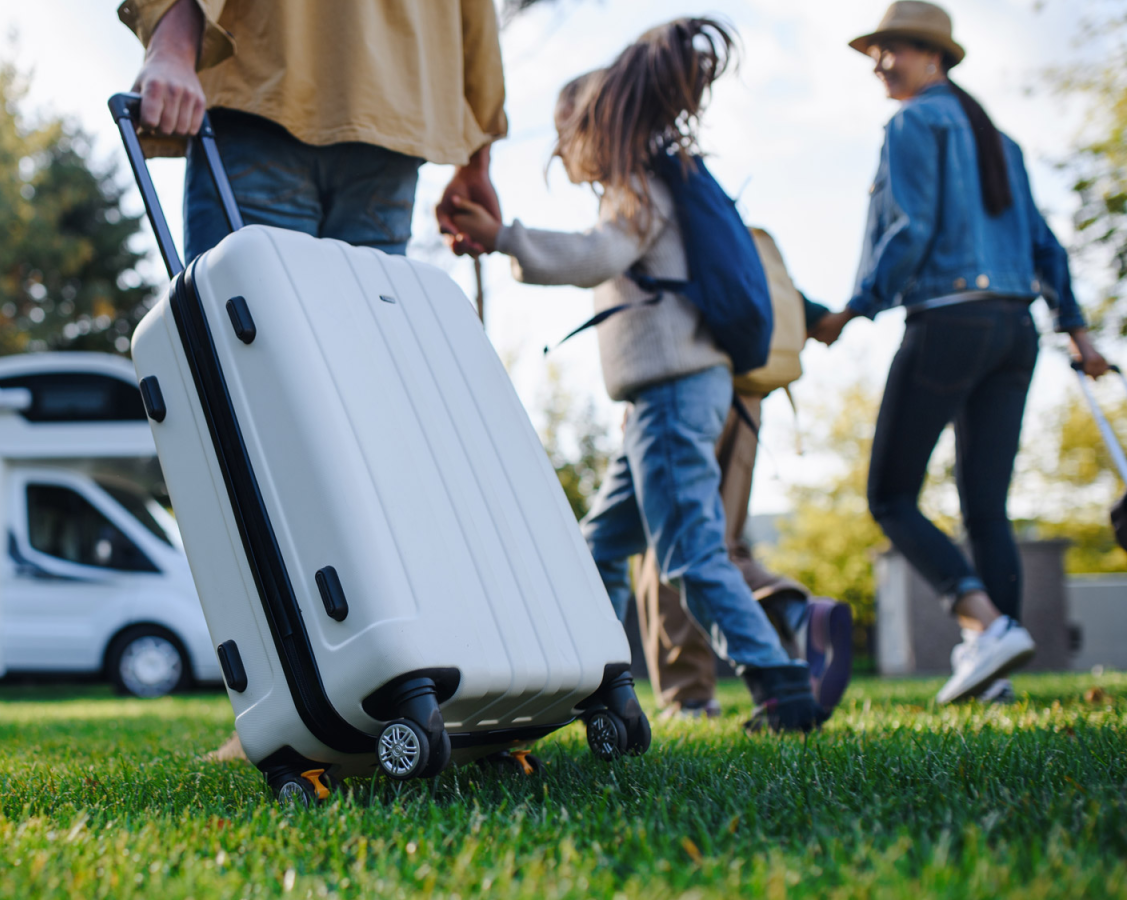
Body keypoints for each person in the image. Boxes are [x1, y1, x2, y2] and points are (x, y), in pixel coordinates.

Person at [118, 0, 509, 761]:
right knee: (359, 424)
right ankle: (364, 688)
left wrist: (171, 39)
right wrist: (478, 150)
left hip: (272, 86)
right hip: (397, 107)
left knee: (256, 419)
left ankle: (300, 703)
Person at [448, 18, 827, 733]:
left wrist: (506, 239)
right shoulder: (661, 182)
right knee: (600, 545)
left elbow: (599, 254)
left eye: (571, 142)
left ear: (597, 131)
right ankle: (595, 679)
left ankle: (782, 687)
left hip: (674, 393)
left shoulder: (640, 186)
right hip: (662, 400)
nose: (569, 157)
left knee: (690, 553)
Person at [812, 1, 1110, 704]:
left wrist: (855, 308)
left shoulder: (913, 123)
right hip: (1014, 332)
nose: (883, 63)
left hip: (949, 321)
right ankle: (991, 670)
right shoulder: (997, 139)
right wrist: (1077, 331)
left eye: (898, 51)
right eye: (877, 52)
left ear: (935, 58)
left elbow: (909, 228)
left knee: (889, 495)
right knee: (985, 506)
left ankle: (980, 622)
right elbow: (1044, 244)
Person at [118, 0, 508, 261]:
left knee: (239, 361)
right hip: (393, 122)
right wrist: (476, 160)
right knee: (359, 362)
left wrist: (171, 46)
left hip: (267, 95)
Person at [637, 299, 854, 720]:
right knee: (717, 544)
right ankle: (797, 612)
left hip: (684, 386)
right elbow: (823, 325)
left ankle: (690, 696)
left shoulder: (675, 231)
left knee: (671, 546)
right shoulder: (746, 242)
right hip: (749, 396)